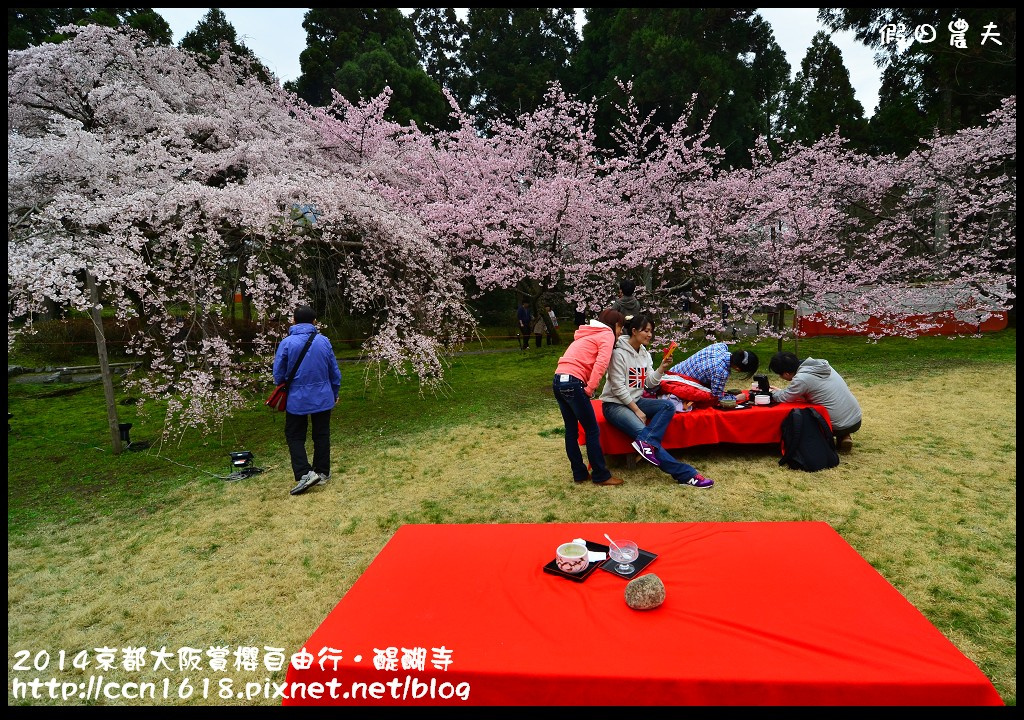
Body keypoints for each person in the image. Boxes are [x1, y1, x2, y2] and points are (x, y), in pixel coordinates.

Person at [599, 313, 714, 488]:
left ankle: (648, 442)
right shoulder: (618, 353)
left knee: (666, 407)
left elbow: (648, 383)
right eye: (646, 331)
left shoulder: (644, 353)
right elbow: (617, 388)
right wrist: (637, 411)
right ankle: (687, 474)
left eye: (651, 331)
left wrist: (661, 368)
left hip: (636, 400)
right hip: (615, 405)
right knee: (643, 435)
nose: (650, 335)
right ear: (635, 331)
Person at [273, 305, 342, 496]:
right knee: (321, 434)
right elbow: (334, 371)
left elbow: (278, 374)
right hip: (323, 396)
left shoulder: (287, 343)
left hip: (297, 399)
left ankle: (304, 472)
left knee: (295, 435)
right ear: (314, 322)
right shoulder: (324, 341)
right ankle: (322, 472)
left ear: (293, 321)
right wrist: (334, 392)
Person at [553, 308, 626, 487]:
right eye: (620, 327)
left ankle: (579, 473)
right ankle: (601, 475)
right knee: (592, 430)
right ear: (614, 324)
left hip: (558, 379)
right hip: (574, 382)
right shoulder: (606, 334)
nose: (621, 331)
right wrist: (590, 388)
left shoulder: (587, 333)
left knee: (571, 430)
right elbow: (601, 363)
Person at [768, 351, 862, 453]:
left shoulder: (802, 378)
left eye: (780, 375)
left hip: (837, 425)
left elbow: (785, 398)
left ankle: (836, 434)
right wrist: (781, 391)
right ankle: (844, 436)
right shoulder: (819, 366)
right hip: (855, 418)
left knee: (801, 416)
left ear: (786, 373)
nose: (780, 377)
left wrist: (771, 393)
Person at [668, 342, 759, 405]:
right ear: (738, 368)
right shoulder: (721, 372)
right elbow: (716, 399)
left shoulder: (720, 346)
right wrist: (737, 398)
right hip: (678, 385)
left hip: (672, 372)